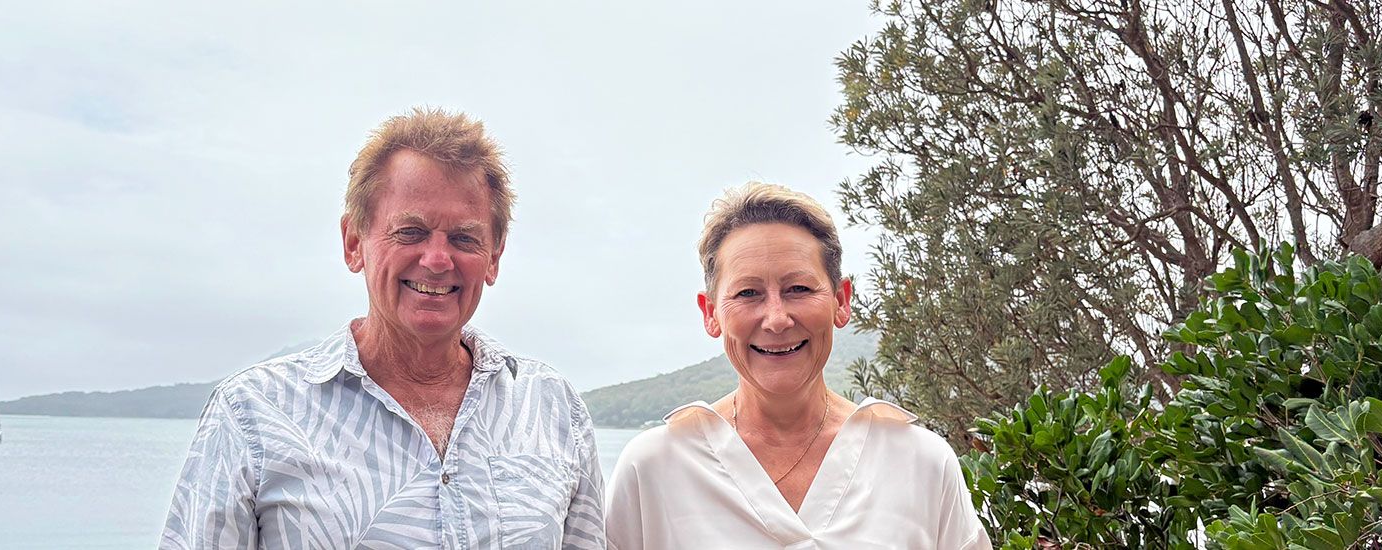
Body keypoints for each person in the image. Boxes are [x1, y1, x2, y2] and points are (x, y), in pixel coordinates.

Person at [161, 108, 605, 549]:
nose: (436, 259)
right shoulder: (254, 414)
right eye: (411, 232)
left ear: (494, 257)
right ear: (354, 243)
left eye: (464, 238)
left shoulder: (552, 409)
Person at [604, 182, 989, 549]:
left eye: (799, 289)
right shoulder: (654, 469)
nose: (776, 319)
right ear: (711, 314)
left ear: (841, 300)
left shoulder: (919, 462)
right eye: (748, 293)